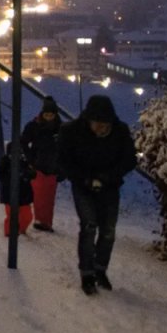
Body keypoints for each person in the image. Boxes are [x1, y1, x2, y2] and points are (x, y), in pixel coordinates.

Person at [56, 93, 138, 296]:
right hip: (83, 186)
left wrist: (107, 177)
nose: (100, 128)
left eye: (104, 125)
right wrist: (85, 179)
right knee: (89, 226)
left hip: (109, 186)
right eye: (96, 123)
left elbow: (129, 160)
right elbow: (64, 161)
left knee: (108, 230)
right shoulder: (72, 132)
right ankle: (87, 273)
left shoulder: (120, 132)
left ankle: (100, 269)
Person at [20, 95, 64, 231]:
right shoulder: (34, 126)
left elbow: (67, 149)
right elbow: (23, 142)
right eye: (47, 114)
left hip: (53, 167)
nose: (49, 117)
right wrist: (30, 160)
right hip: (38, 166)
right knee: (39, 196)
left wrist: (63, 168)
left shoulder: (61, 129)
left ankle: (46, 222)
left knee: (49, 197)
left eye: (51, 115)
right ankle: (41, 221)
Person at [0, 140, 34, 237]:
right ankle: (10, 233)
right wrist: (13, 176)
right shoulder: (5, 161)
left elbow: (32, 174)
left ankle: (21, 230)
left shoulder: (24, 161)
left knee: (27, 216)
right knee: (11, 216)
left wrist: (27, 174)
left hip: (24, 194)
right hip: (10, 194)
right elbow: (1, 176)